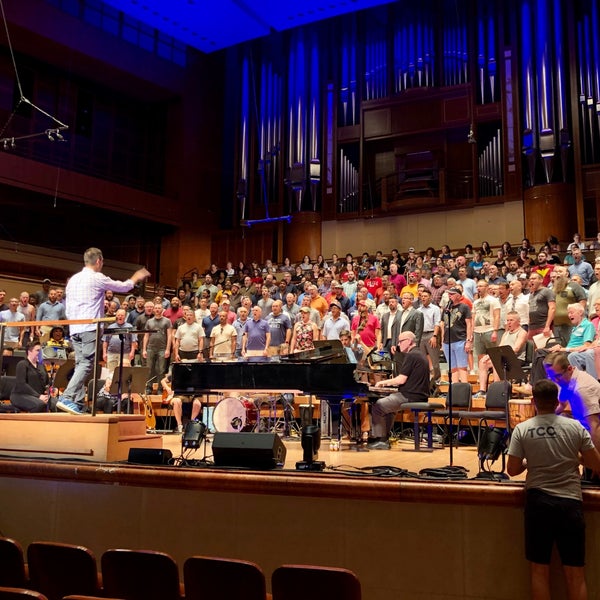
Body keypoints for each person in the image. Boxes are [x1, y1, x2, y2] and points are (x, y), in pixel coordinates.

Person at [507, 379, 600, 600]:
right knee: (575, 573)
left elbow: (512, 469)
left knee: (539, 570)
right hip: (570, 502)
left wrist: (530, 462)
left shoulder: (522, 429)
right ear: (557, 401)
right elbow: (595, 464)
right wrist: (573, 457)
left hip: (538, 503)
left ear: (533, 402)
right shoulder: (575, 426)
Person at [56, 247, 149, 414]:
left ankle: (76, 402)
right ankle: (67, 397)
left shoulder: (73, 279)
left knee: (80, 364)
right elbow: (124, 287)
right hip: (89, 326)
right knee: (86, 363)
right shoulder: (97, 278)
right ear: (98, 261)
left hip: (75, 326)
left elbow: (67, 306)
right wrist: (136, 276)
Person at [367, 331, 430, 449]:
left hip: (409, 396)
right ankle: (384, 437)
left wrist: (382, 383)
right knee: (389, 407)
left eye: (401, 341)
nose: (398, 344)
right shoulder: (420, 354)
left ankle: (381, 440)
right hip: (419, 395)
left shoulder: (411, 355)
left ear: (409, 341)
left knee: (378, 405)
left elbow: (401, 380)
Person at [10, 341, 50, 412]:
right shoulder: (22, 364)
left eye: (41, 351)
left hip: (39, 395)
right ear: (29, 351)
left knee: (56, 403)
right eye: (37, 350)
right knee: (39, 405)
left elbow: (47, 382)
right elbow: (21, 384)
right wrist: (38, 396)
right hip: (21, 395)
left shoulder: (41, 366)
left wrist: (50, 390)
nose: (40, 353)